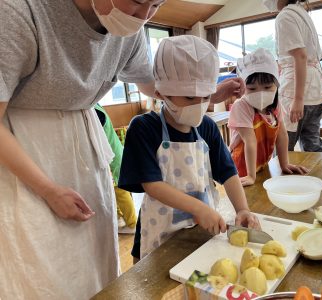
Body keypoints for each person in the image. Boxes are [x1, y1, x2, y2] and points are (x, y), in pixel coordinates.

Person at [0, 0, 244, 298]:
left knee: (97, 268)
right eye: (137, 2)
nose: (143, 17)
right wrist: (48, 189)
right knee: (43, 275)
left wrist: (203, 96)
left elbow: (160, 84)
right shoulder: (19, 11)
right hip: (25, 155)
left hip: (86, 149)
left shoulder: (130, 32)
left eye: (156, 5)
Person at [118, 35, 261, 260]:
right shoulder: (144, 128)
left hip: (201, 232)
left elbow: (228, 173)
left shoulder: (207, 127)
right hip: (158, 235)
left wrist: (242, 209)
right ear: (160, 93)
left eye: (205, 97)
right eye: (189, 97)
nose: (199, 105)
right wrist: (198, 208)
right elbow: (152, 185)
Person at [228, 48, 308, 187]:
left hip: (262, 165)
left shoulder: (276, 106)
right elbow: (250, 141)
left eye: (267, 87)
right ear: (243, 87)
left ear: (277, 85)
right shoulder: (241, 107)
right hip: (241, 170)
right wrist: (251, 176)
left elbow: (282, 135)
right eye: (252, 89)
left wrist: (285, 164)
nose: (260, 93)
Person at [263, 0, 322, 152]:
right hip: (314, 90)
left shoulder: (285, 16)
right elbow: (310, 56)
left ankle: (284, 176)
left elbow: (300, 56)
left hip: (296, 90)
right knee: (312, 145)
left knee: (284, 148)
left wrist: (298, 99)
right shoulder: (302, 13)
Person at [95, 104, 137, 234]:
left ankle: (132, 223)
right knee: (115, 191)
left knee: (121, 191)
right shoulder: (96, 106)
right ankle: (121, 218)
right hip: (113, 154)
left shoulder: (95, 111)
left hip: (112, 157)